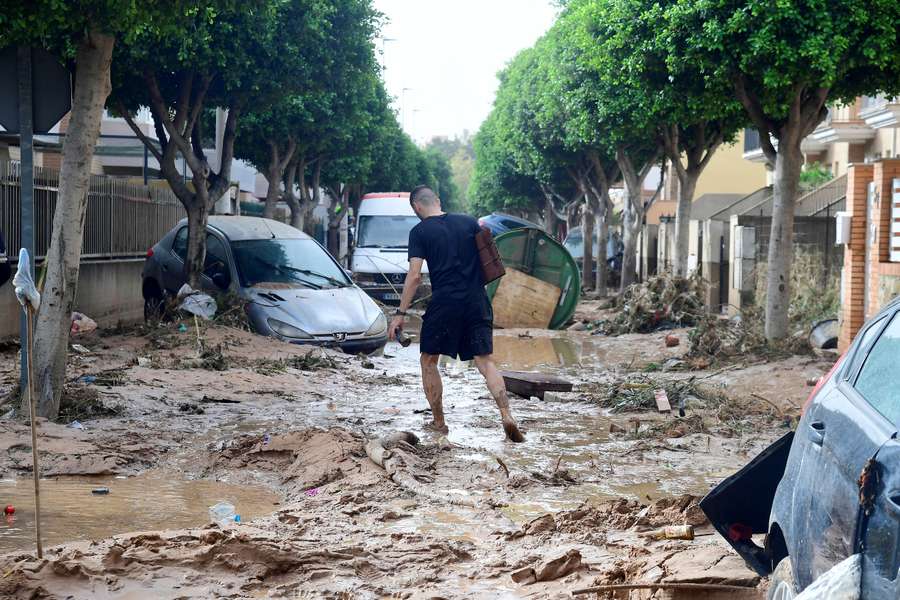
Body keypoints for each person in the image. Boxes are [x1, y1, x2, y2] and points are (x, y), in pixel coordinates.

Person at [387, 186, 525, 443]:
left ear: (417, 207)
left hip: (445, 303)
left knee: (429, 360)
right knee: (485, 361)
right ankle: (507, 414)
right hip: (477, 300)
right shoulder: (469, 222)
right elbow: (489, 260)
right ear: (437, 201)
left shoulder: (419, 232)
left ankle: (439, 423)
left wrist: (400, 313)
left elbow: (415, 276)